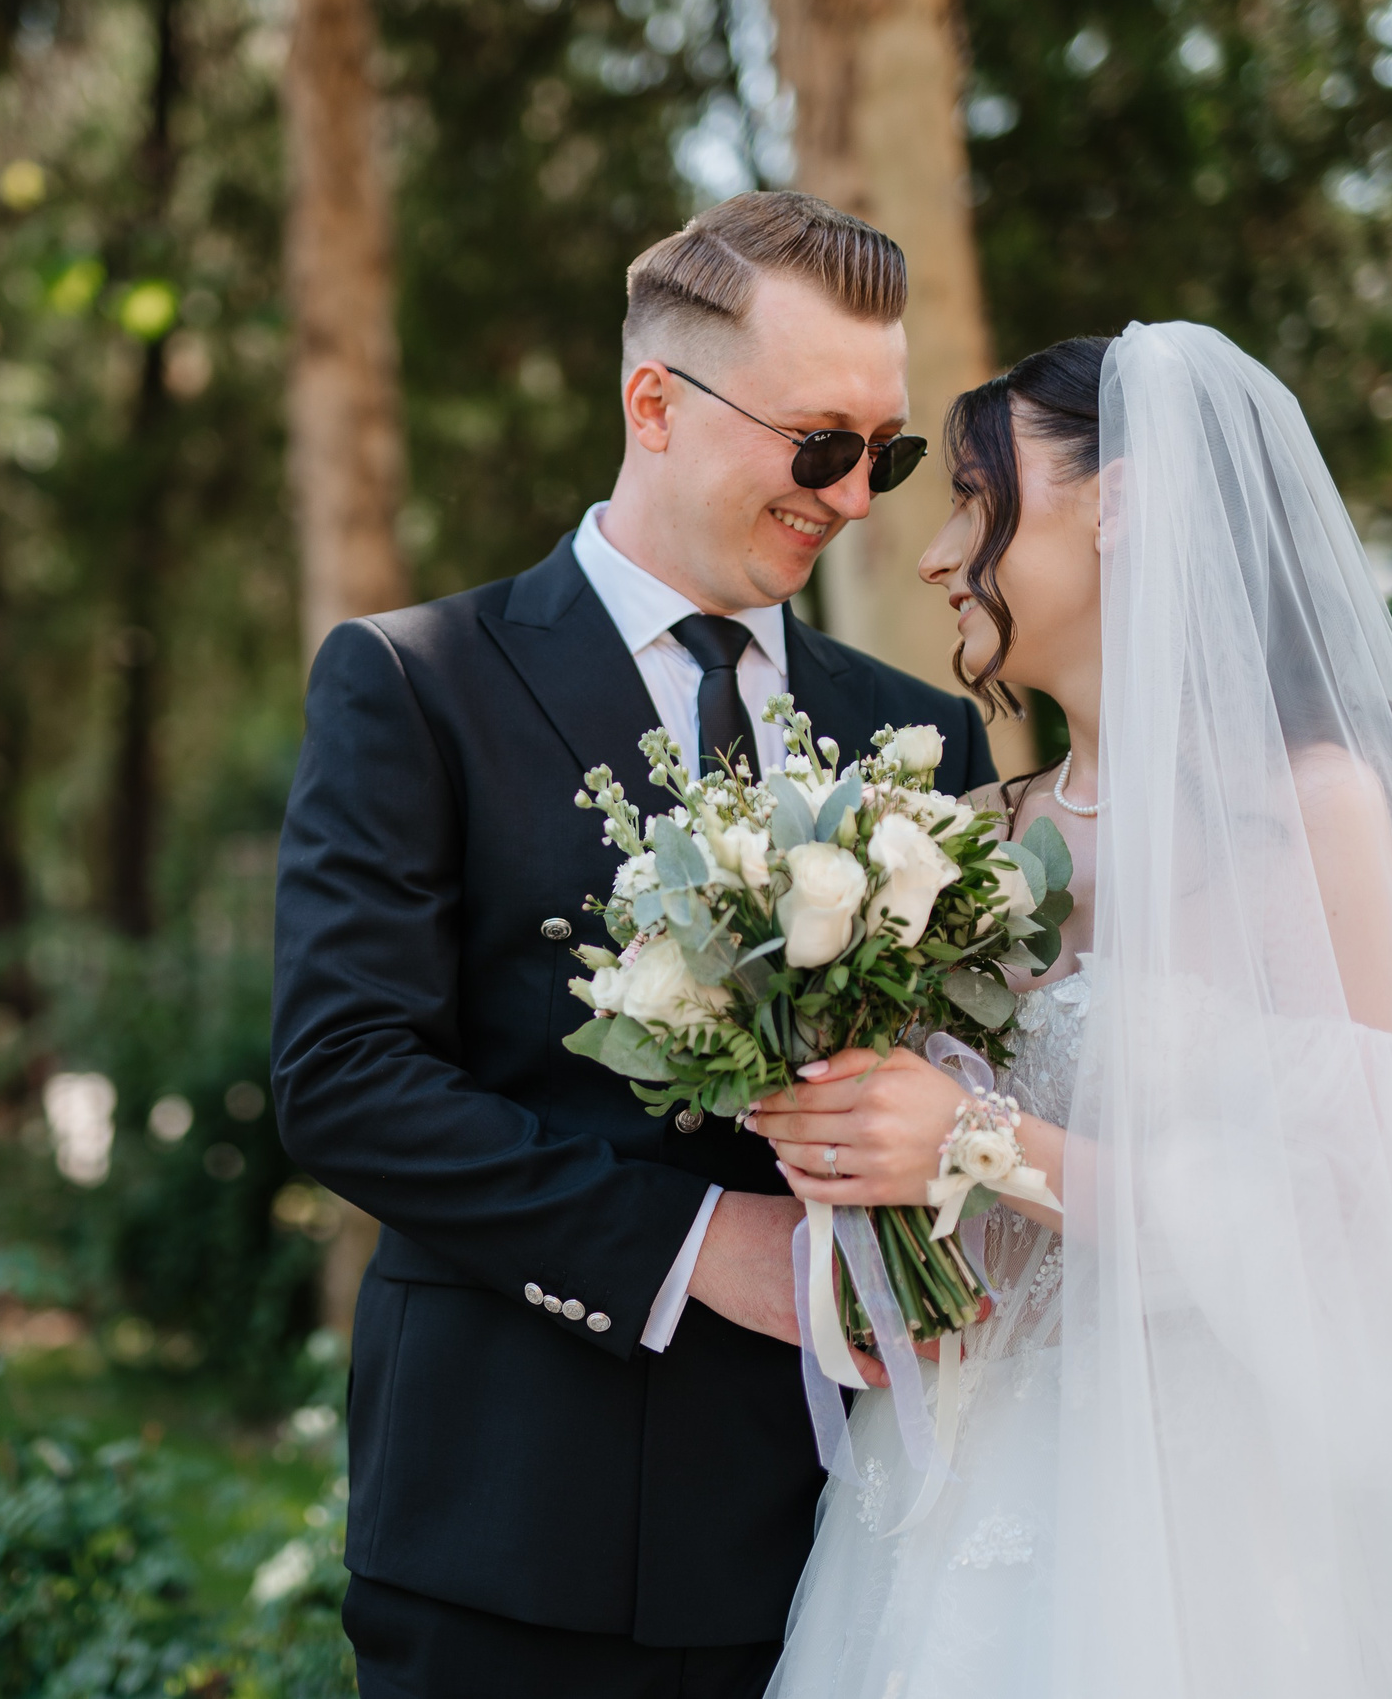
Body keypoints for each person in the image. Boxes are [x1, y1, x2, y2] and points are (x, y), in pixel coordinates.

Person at [755, 323, 1392, 1697]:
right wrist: (856, 1152)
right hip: (952, 1511)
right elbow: (976, 1248)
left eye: (977, 502)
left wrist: (981, 1137)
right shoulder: (964, 841)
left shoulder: (1311, 810)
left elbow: (1356, 1223)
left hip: (1214, 1522)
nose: (934, 554)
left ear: (1125, 505)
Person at [270, 191, 996, 1698]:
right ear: (653, 402)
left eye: (889, 453)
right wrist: (694, 1248)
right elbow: (345, 1078)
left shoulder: (921, 737)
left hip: (861, 1543)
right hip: (514, 1527)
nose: (857, 498)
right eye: (819, 445)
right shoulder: (416, 683)